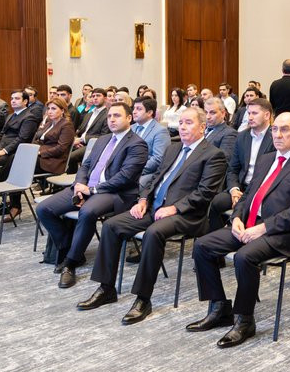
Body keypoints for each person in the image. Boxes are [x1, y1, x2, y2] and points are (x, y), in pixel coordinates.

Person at [76, 106, 228, 323]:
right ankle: (106, 288)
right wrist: (143, 200)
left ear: (202, 127)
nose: (183, 127)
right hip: (154, 208)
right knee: (111, 225)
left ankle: (143, 298)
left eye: (189, 123)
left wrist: (174, 208)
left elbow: (205, 193)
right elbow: (155, 178)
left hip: (187, 215)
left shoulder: (213, 155)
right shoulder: (173, 148)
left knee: (153, 233)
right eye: (181, 122)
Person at [187, 112, 290, 347]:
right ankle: (219, 307)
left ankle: (244, 319)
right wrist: (236, 218)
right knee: (202, 246)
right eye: (275, 129)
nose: (278, 134)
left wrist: (263, 228)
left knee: (244, 257)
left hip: (284, 233)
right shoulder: (266, 159)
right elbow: (248, 195)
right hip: (250, 224)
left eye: (285, 130)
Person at [40, 103, 149, 286]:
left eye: (117, 116)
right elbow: (86, 165)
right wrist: (80, 184)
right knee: (44, 209)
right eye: (109, 116)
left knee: (87, 212)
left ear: (129, 118)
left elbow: (124, 178)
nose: (112, 119)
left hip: (114, 193)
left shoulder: (137, 144)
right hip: (86, 187)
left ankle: (70, 262)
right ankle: (69, 247)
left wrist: (92, 190)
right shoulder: (103, 139)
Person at [4, 98, 75, 223]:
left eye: (54, 109)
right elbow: (37, 139)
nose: (50, 111)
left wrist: (40, 152)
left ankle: (11, 198)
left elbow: (61, 148)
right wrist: (31, 150)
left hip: (53, 161)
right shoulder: (49, 123)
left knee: (17, 165)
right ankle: (12, 197)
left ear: (63, 110)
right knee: (14, 159)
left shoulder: (66, 125)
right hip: (39, 156)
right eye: (48, 108)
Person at [210, 97, 275, 229]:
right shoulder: (242, 136)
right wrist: (234, 190)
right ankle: (220, 235)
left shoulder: (275, 137)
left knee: (245, 208)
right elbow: (233, 169)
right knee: (216, 202)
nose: (250, 117)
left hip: (262, 190)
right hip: (241, 187)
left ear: (267, 115)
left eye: (254, 113)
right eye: (248, 113)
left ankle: (239, 233)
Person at [0, 89, 42, 189]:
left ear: (25, 101)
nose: (13, 101)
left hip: (14, 152)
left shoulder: (29, 117)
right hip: (2, 147)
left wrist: (5, 151)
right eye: (12, 98)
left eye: (17, 98)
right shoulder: (11, 115)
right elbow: (2, 133)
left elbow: (22, 139)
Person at [130, 97, 170, 192]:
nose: (134, 112)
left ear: (149, 112)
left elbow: (158, 158)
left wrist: (134, 170)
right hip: (126, 169)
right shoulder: (130, 128)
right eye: (134, 108)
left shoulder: (160, 131)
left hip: (146, 172)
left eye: (139, 109)